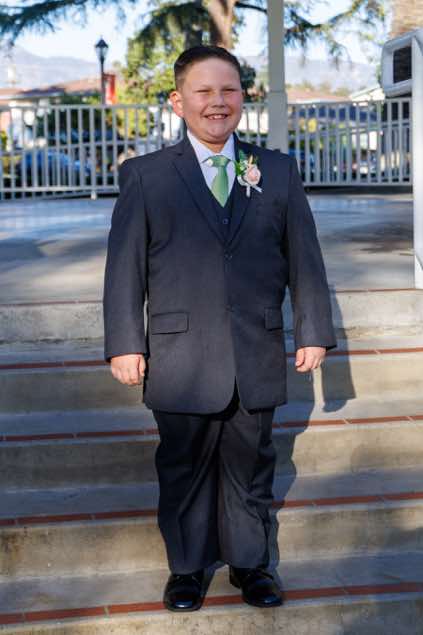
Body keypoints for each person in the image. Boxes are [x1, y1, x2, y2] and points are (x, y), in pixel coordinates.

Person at [103, 45, 337, 612]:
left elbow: (304, 258)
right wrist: (125, 344)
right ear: (177, 101)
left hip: (255, 347)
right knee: (183, 466)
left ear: (242, 97)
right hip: (180, 354)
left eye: (228, 90)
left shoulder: (276, 171)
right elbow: (124, 267)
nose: (217, 102)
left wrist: (312, 330)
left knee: (251, 465)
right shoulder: (146, 176)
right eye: (203, 91)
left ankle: (251, 564)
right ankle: (187, 568)